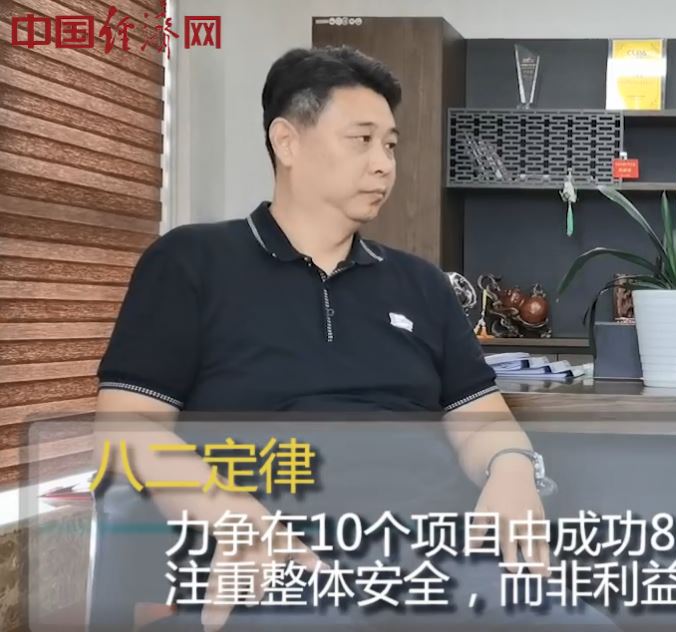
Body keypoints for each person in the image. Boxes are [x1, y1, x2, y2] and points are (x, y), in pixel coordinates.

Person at [90, 46, 612, 630]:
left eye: (390, 145)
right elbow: (127, 428)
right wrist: (234, 518)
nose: (384, 164)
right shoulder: (191, 262)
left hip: (430, 561)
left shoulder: (421, 284)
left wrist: (511, 468)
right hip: (280, 559)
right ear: (287, 142)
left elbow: (480, 419)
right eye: (362, 140)